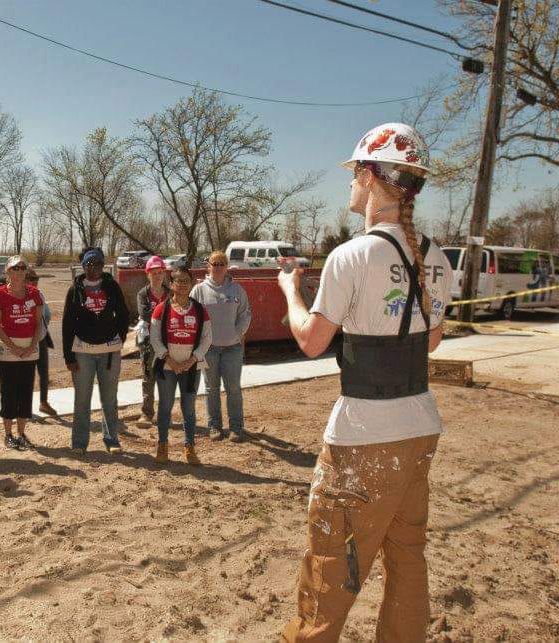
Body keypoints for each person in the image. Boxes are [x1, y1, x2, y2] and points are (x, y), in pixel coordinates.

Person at [277, 123, 452, 641]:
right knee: (407, 561)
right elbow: (433, 341)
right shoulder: (437, 257)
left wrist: (291, 291)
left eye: (355, 173)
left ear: (374, 179)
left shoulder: (351, 255)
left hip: (363, 439)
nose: (350, 184)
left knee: (330, 568)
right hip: (419, 428)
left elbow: (311, 341)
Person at [62, 247, 130, 454]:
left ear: (103, 265)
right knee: (82, 398)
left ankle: (111, 440)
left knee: (109, 398)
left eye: (98, 264)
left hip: (109, 352)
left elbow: (124, 315)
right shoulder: (75, 290)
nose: (94, 268)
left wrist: (118, 338)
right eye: (89, 265)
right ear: (83, 267)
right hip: (83, 352)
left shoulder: (112, 286)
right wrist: (69, 356)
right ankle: (79, 443)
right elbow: (67, 325)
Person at [150, 266, 211, 465]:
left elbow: (206, 339)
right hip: (167, 368)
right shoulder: (162, 308)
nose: (183, 284)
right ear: (171, 284)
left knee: (189, 409)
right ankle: (162, 446)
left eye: (186, 280)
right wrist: (171, 361)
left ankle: (189, 448)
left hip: (191, 368)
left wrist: (191, 361)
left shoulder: (200, 310)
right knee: (165, 408)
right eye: (178, 281)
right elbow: (155, 339)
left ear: (192, 283)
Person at [190, 250, 252, 442]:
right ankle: (214, 426)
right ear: (208, 266)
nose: (217, 268)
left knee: (233, 388)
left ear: (226, 267)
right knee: (211, 388)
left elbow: (245, 314)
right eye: (214, 264)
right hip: (209, 350)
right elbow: (191, 315)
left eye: (221, 264)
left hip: (232, 348)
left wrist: (237, 333)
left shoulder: (236, 290)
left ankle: (236, 428)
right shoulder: (199, 291)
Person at [0, 256, 42, 449]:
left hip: (30, 349)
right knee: (9, 391)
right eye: (15, 268)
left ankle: (21, 433)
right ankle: (8, 434)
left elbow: (39, 323)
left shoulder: (34, 293)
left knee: (25, 391)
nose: (19, 271)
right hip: (7, 349)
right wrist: (13, 347)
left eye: (22, 268)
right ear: (8, 271)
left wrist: (30, 347)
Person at [135, 256, 170, 428]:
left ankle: (165, 413)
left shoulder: (171, 293)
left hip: (168, 340)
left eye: (160, 272)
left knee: (167, 377)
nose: (157, 276)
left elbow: (177, 312)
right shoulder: (143, 294)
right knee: (149, 377)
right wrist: (163, 315)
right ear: (148, 274)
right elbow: (145, 315)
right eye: (154, 273)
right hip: (149, 342)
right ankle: (146, 413)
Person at [26, 267, 57, 417]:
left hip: (41, 339)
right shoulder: (22, 296)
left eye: (36, 280)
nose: (35, 282)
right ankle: (25, 406)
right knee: (28, 374)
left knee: (43, 373)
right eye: (32, 280)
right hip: (26, 341)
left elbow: (47, 315)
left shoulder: (40, 295)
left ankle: (43, 402)